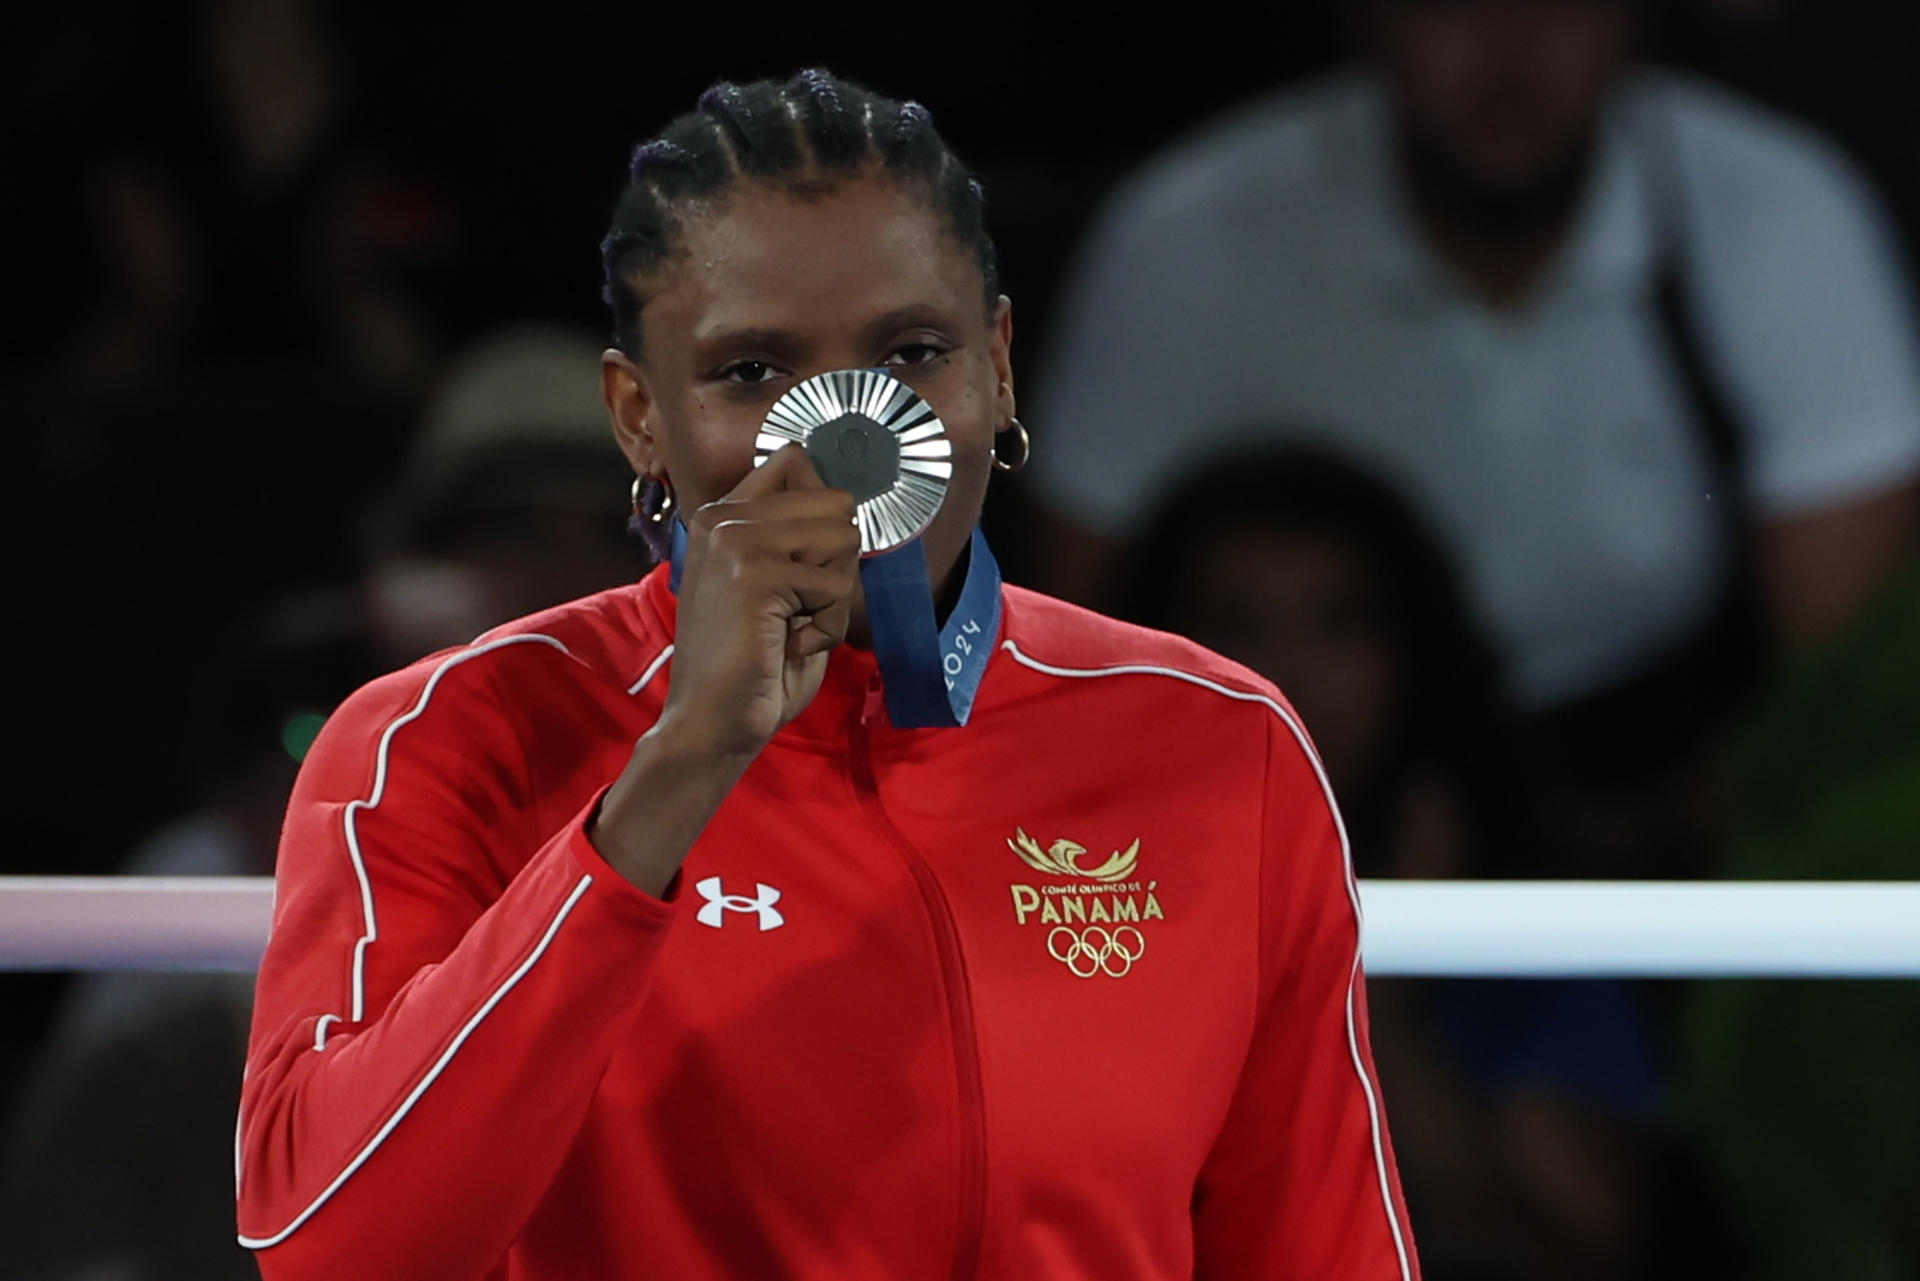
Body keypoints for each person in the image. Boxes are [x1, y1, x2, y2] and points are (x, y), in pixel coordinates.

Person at [233, 71, 1420, 1280]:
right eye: (753, 371)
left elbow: (1322, 1251)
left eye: (911, 352)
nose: (849, 434)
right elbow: (333, 1249)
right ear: (640, 416)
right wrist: (677, 770)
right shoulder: (451, 739)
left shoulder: (1214, 741)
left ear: (998, 368)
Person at [1030, 0, 1920, 873]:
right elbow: (1070, 677)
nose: (1510, 48)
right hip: (1263, 823)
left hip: (1668, 827)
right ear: (1364, 21)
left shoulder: (1783, 212)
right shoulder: (1189, 238)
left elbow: (1842, 698)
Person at [1124, 448, 1667, 1280]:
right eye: (1237, 624)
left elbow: (1571, 1248)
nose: (1288, 674)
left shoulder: (1523, 914)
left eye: (1341, 623)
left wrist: (1374, 992)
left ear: (1413, 654)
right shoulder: (1062, 896)